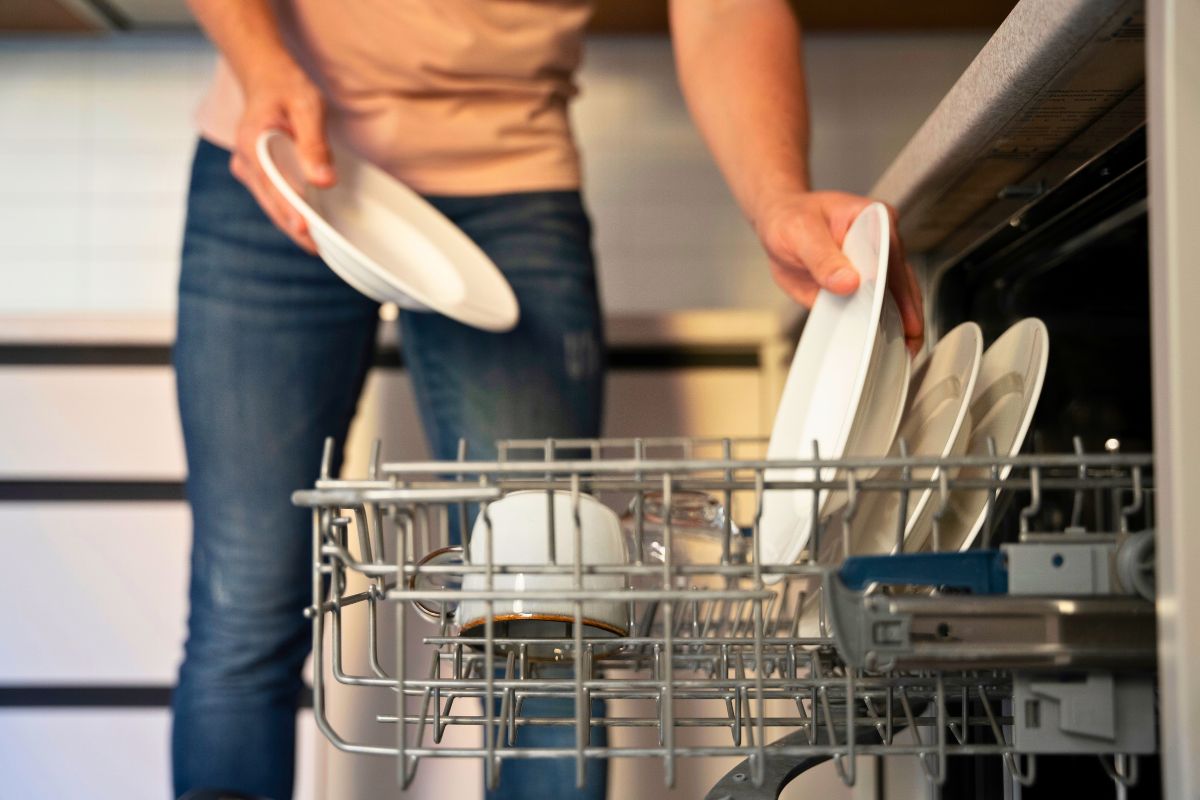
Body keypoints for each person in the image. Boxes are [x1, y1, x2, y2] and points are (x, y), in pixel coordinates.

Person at [171, 1, 925, 799]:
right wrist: (261, 64)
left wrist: (778, 196)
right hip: (282, 152)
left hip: (510, 185)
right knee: (243, 607)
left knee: (546, 627)